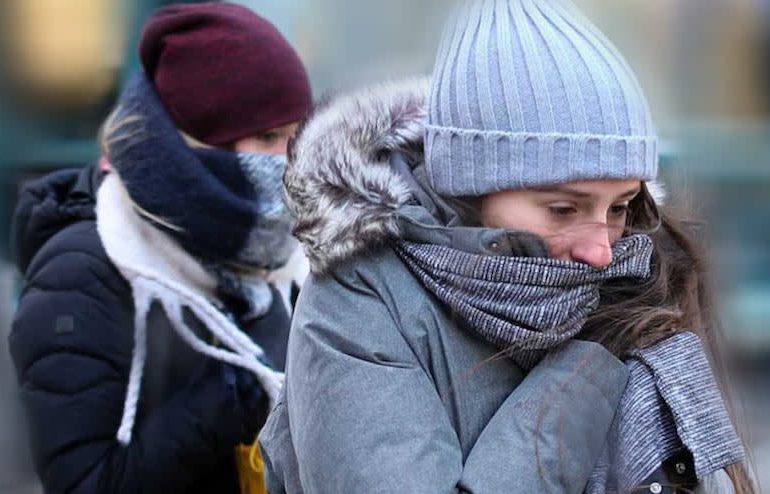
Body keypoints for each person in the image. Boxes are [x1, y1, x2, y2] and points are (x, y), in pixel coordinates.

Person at [259, 0, 755, 492]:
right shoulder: (357, 300)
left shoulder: (633, 280)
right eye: (563, 210)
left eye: (620, 207)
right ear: (472, 189)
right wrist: (585, 370)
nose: (602, 251)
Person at [8, 3, 312, 493]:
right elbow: (84, 483)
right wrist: (232, 396)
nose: (289, 160)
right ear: (192, 147)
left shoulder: (277, 260)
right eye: (268, 136)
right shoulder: (81, 275)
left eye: (297, 136)